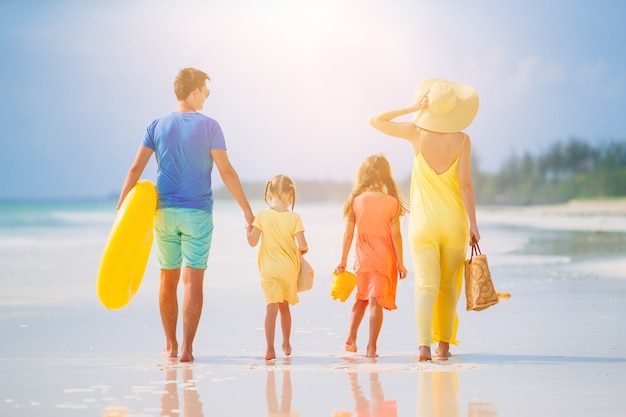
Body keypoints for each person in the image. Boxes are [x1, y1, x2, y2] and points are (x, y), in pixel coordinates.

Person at [116, 67, 255, 362]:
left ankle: (171, 346)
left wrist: (121, 210)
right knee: (193, 282)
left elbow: (134, 169)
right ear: (194, 92)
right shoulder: (210, 127)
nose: (207, 96)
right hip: (198, 214)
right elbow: (226, 172)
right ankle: (188, 350)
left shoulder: (156, 125)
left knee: (167, 279)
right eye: (206, 91)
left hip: (164, 213)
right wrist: (247, 209)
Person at [369, 78, 480, 361]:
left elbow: (376, 120)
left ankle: (423, 348)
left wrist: (410, 108)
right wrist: (474, 225)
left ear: (428, 106)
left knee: (426, 286)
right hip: (454, 223)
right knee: (449, 286)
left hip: (424, 225)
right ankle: (443, 346)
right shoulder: (464, 140)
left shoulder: (416, 133)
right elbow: (466, 185)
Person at [334, 154, 409, 358]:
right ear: (385, 177)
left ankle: (350, 337)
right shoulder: (392, 202)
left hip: (362, 258)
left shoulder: (356, 201)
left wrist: (343, 260)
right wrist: (401, 263)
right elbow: (396, 235)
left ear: (363, 175)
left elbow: (348, 234)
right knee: (376, 301)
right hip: (384, 259)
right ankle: (372, 348)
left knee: (361, 298)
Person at [246, 175, 309, 361]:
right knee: (285, 308)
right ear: (291, 194)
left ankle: (269, 350)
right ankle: (287, 343)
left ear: (269, 194)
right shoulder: (295, 217)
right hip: (288, 268)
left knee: (270, 308)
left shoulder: (262, 215)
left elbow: (252, 242)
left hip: (269, 269)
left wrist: (247, 228)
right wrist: (302, 251)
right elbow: (303, 244)